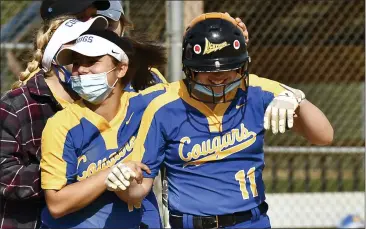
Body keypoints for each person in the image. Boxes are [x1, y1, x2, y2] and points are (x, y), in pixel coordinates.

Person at [105, 12, 334, 229]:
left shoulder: (256, 90)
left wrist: (296, 97)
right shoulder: (164, 105)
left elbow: (324, 136)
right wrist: (122, 182)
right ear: (190, 69)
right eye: (207, 71)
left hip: (251, 222)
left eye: (229, 69)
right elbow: (139, 189)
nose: (219, 79)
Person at [39, 29, 167, 228]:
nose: (81, 69)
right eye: (77, 62)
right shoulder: (61, 124)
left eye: (91, 61)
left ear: (122, 68)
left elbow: (205, 82)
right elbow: (56, 204)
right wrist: (108, 175)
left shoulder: (150, 105)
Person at [0, 15, 109, 229]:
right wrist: (63, 174)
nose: (88, 54)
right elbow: (4, 175)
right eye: (78, 49)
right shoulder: (16, 105)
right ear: (56, 57)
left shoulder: (99, 103)